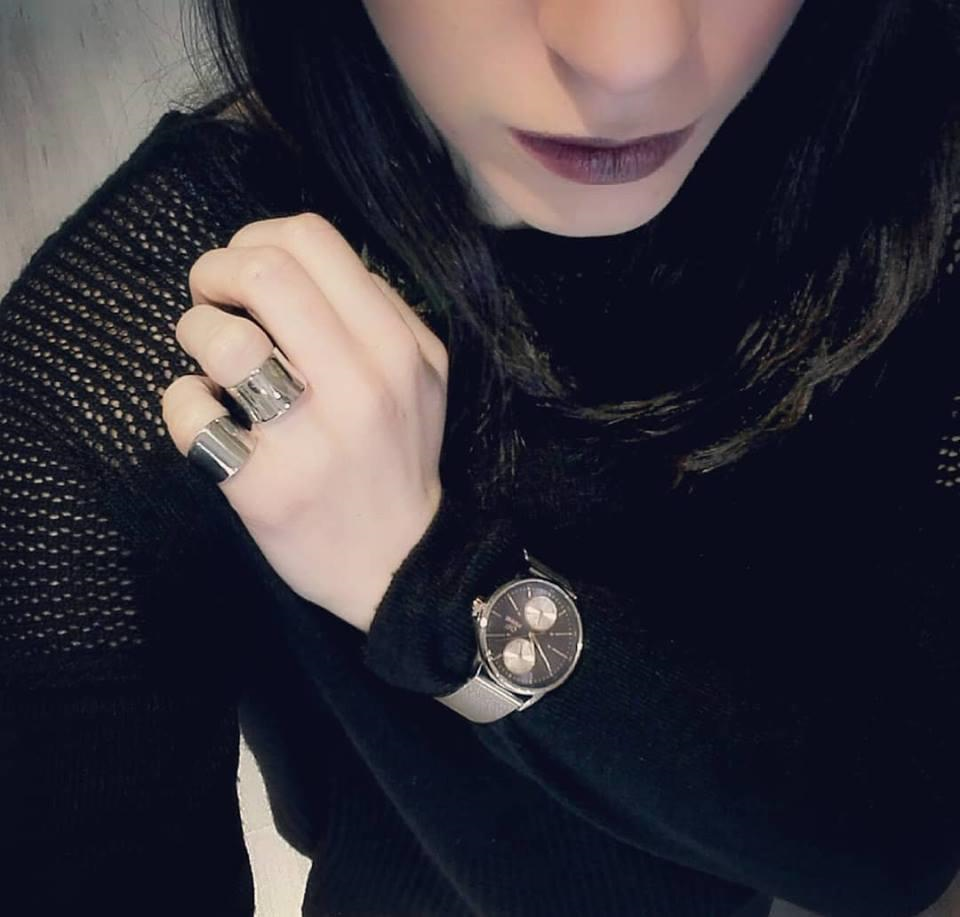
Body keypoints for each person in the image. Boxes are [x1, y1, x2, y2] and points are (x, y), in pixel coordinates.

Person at [1, 1, 958, 915]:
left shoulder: (912, 159)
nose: (631, 57)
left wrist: (431, 582)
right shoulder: (122, 362)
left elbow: (897, 838)